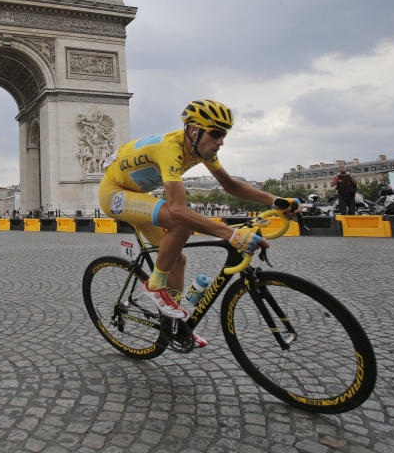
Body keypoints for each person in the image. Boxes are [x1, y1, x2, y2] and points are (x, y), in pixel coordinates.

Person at [99, 99, 300, 342]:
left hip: (138, 195)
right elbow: (177, 209)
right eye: (216, 134)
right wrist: (230, 234)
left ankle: (174, 326)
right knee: (180, 222)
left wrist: (276, 201)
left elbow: (231, 185)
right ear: (194, 131)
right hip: (114, 194)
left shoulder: (199, 149)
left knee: (177, 259)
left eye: (224, 135)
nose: (221, 141)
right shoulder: (170, 150)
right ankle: (154, 285)